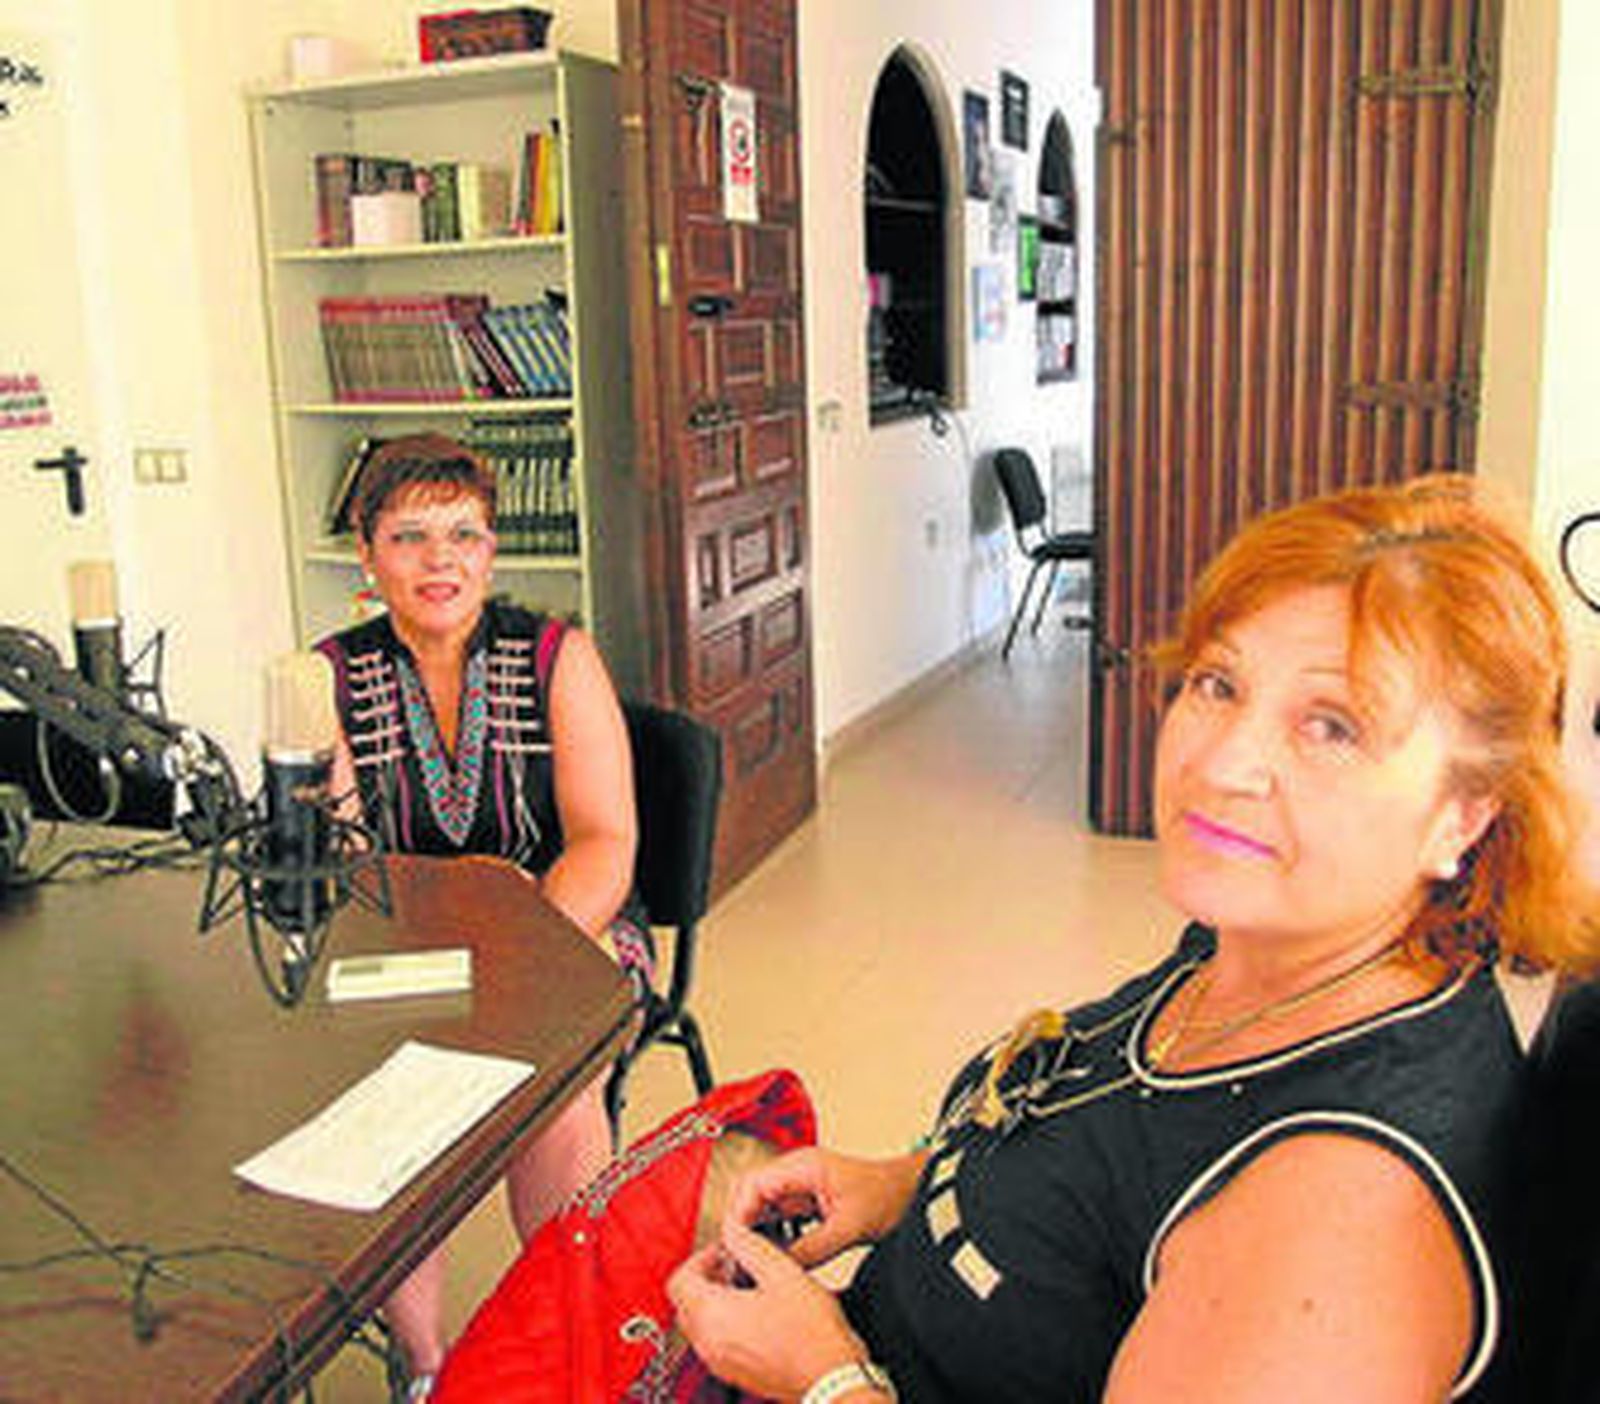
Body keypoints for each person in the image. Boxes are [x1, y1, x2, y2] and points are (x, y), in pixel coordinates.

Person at [651, 474, 1600, 1402]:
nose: (1223, 761)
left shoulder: (1343, 1225)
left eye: (1333, 727)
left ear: (1466, 814)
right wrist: (902, 1189)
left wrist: (821, 1378)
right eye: (1218, 683)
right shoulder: (1261, 943)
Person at [314, 432, 641, 1398]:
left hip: (568, 929)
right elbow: (342, 865)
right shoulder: (328, 677)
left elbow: (604, 841)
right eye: (408, 536)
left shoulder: (557, 657)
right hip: (405, 946)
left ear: (493, 550)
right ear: (366, 554)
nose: (440, 560)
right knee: (382, 1085)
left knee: (556, 1081)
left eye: (463, 534)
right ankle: (423, 1365)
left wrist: (522, 946)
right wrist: (445, 922)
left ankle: (570, 1339)